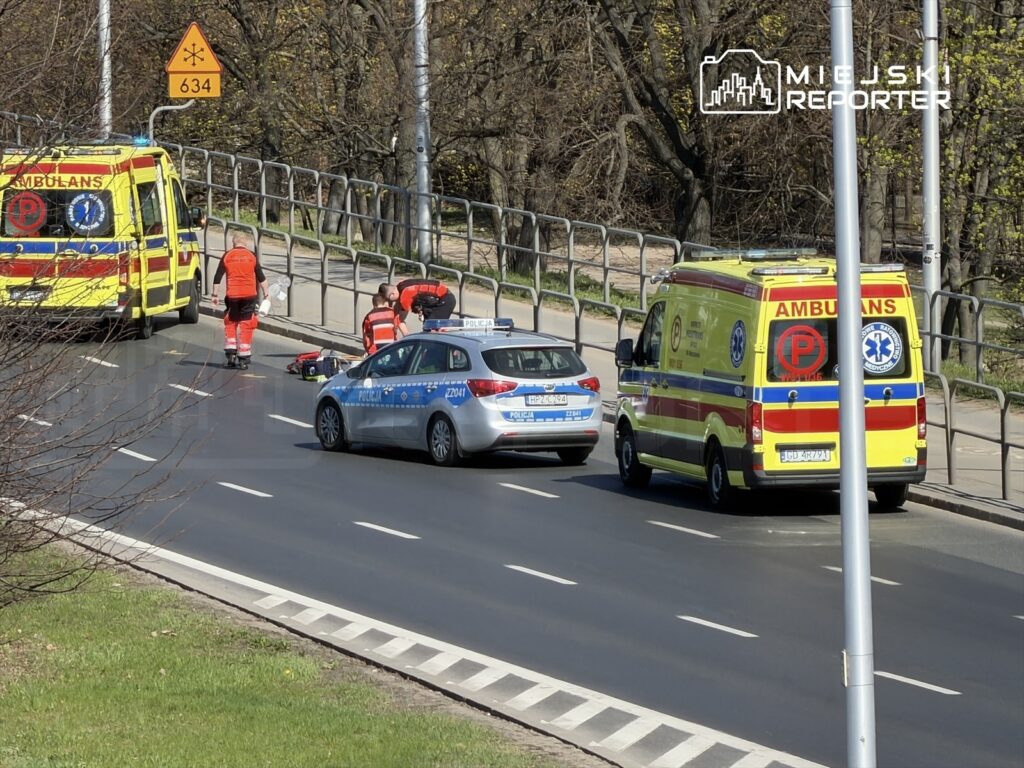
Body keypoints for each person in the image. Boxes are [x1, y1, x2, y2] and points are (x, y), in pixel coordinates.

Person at [211, 232, 269, 370]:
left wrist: (214, 295)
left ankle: (231, 355)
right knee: (247, 324)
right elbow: (261, 277)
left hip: (233, 296)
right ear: (246, 243)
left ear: (234, 243)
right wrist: (267, 294)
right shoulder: (251, 256)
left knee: (230, 322)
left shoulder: (227, 255)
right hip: (249, 295)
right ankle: (244, 358)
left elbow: (217, 276)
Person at [378, 278, 456, 335]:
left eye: (389, 300)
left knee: (431, 330)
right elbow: (397, 311)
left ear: (392, 294)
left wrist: (406, 336)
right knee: (429, 329)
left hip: (444, 301)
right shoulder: (401, 286)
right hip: (440, 300)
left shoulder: (405, 295)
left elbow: (401, 318)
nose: (390, 302)